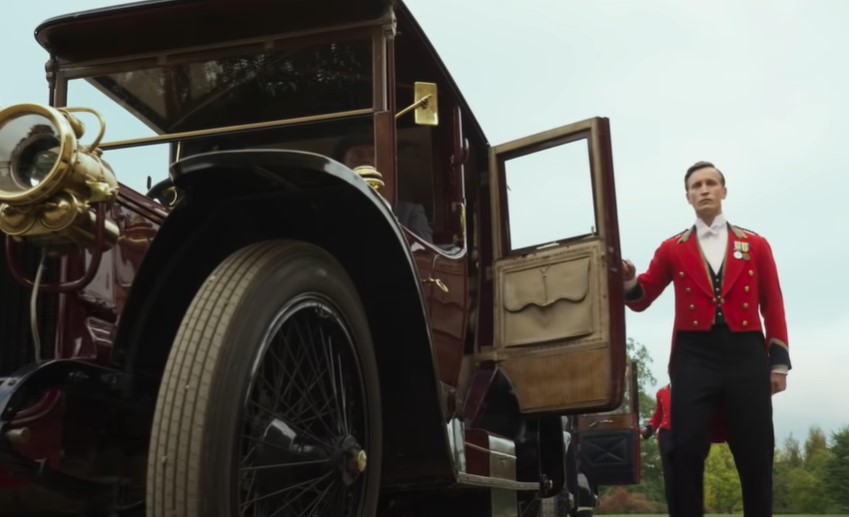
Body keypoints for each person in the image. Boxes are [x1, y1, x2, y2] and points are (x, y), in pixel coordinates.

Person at [622, 161, 790, 517]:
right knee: (685, 449)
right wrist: (628, 281)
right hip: (693, 355)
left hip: (746, 353)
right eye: (696, 185)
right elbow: (643, 296)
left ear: (723, 191)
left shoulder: (756, 245)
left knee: (756, 450)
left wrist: (778, 364)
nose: (704, 190)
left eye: (711, 183)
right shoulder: (672, 248)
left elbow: (772, 303)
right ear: (688, 197)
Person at [333, 135, 433, 243]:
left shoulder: (409, 212)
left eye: (373, 155)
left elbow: (424, 251)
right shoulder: (331, 208)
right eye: (358, 155)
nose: (366, 160)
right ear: (342, 165)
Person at [642, 383, 674, 513]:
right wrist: (648, 429)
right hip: (666, 436)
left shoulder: (691, 388)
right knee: (670, 477)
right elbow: (658, 416)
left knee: (687, 474)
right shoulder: (662, 392)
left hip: (686, 434)